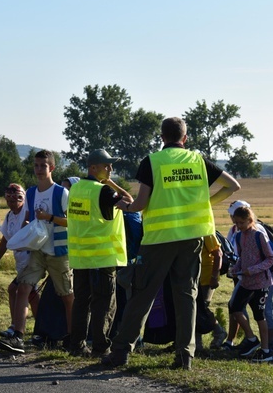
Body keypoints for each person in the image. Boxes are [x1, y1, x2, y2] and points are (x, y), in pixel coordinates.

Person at [102, 117, 240, 371]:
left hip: (159, 240)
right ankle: (185, 357)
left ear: (162, 138)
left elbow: (141, 203)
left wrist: (126, 206)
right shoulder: (198, 161)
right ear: (184, 138)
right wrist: (206, 203)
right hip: (192, 238)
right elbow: (233, 186)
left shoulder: (153, 161)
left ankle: (121, 352)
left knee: (142, 294)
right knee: (187, 296)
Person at [0, 150, 72, 354]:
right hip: (38, 250)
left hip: (59, 251)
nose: (38, 170)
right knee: (23, 287)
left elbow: (73, 221)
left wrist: (49, 217)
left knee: (66, 295)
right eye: (36, 165)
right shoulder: (30, 193)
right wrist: (26, 231)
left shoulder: (61, 193)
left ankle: (73, 338)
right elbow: (29, 218)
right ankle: (18, 336)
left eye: (43, 166)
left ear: (52, 168)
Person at [67, 149, 131, 358]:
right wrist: (111, 184)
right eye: (107, 166)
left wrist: (108, 181)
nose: (110, 169)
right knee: (104, 303)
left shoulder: (76, 188)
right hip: (102, 257)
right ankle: (101, 347)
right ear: (93, 167)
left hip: (81, 256)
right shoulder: (103, 192)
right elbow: (129, 202)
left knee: (81, 301)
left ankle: (77, 345)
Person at [0, 183, 41, 339]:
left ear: (22, 199)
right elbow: (5, 239)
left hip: (30, 259)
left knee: (16, 289)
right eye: (9, 200)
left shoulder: (27, 212)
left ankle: (17, 327)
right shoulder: (10, 216)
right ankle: (39, 328)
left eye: (15, 200)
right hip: (20, 261)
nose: (12, 204)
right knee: (31, 294)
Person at [228, 205, 273, 362]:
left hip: (261, 282)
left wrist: (253, 270)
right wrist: (236, 268)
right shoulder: (239, 236)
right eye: (236, 223)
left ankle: (266, 351)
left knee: (259, 315)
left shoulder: (259, 235)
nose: (238, 226)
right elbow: (241, 257)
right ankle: (252, 339)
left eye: (241, 223)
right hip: (246, 282)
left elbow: (270, 258)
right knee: (234, 308)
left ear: (250, 220)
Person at [195, 233, 226, 351]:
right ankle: (197, 344)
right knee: (196, 310)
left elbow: (218, 254)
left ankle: (219, 332)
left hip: (207, 278)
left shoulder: (207, 233)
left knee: (201, 309)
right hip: (194, 278)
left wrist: (214, 276)